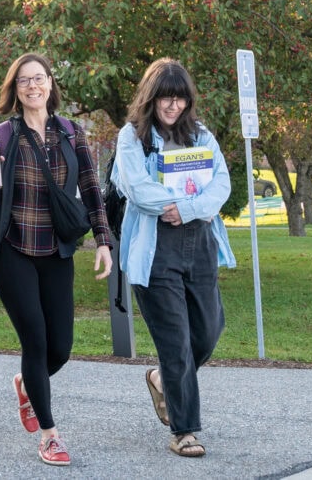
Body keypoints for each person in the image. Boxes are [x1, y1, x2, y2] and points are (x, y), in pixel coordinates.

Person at [0, 53, 112, 466]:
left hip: (56, 249)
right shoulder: (0, 134)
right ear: (14, 91)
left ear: (51, 83)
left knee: (62, 348)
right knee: (34, 339)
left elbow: (91, 188)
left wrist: (103, 240)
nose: (32, 86)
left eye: (39, 78)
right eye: (23, 81)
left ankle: (25, 384)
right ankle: (50, 436)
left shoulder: (72, 133)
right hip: (12, 248)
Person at [111, 57, 236, 457]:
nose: (172, 106)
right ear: (151, 98)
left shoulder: (201, 136)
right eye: (165, 98)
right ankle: (185, 431)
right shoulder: (132, 137)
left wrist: (188, 209)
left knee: (209, 331)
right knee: (177, 343)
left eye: (179, 99)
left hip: (199, 245)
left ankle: (163, 381)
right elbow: (137, 186)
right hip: (155, 249)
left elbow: (221, 184)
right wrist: (180, 204)